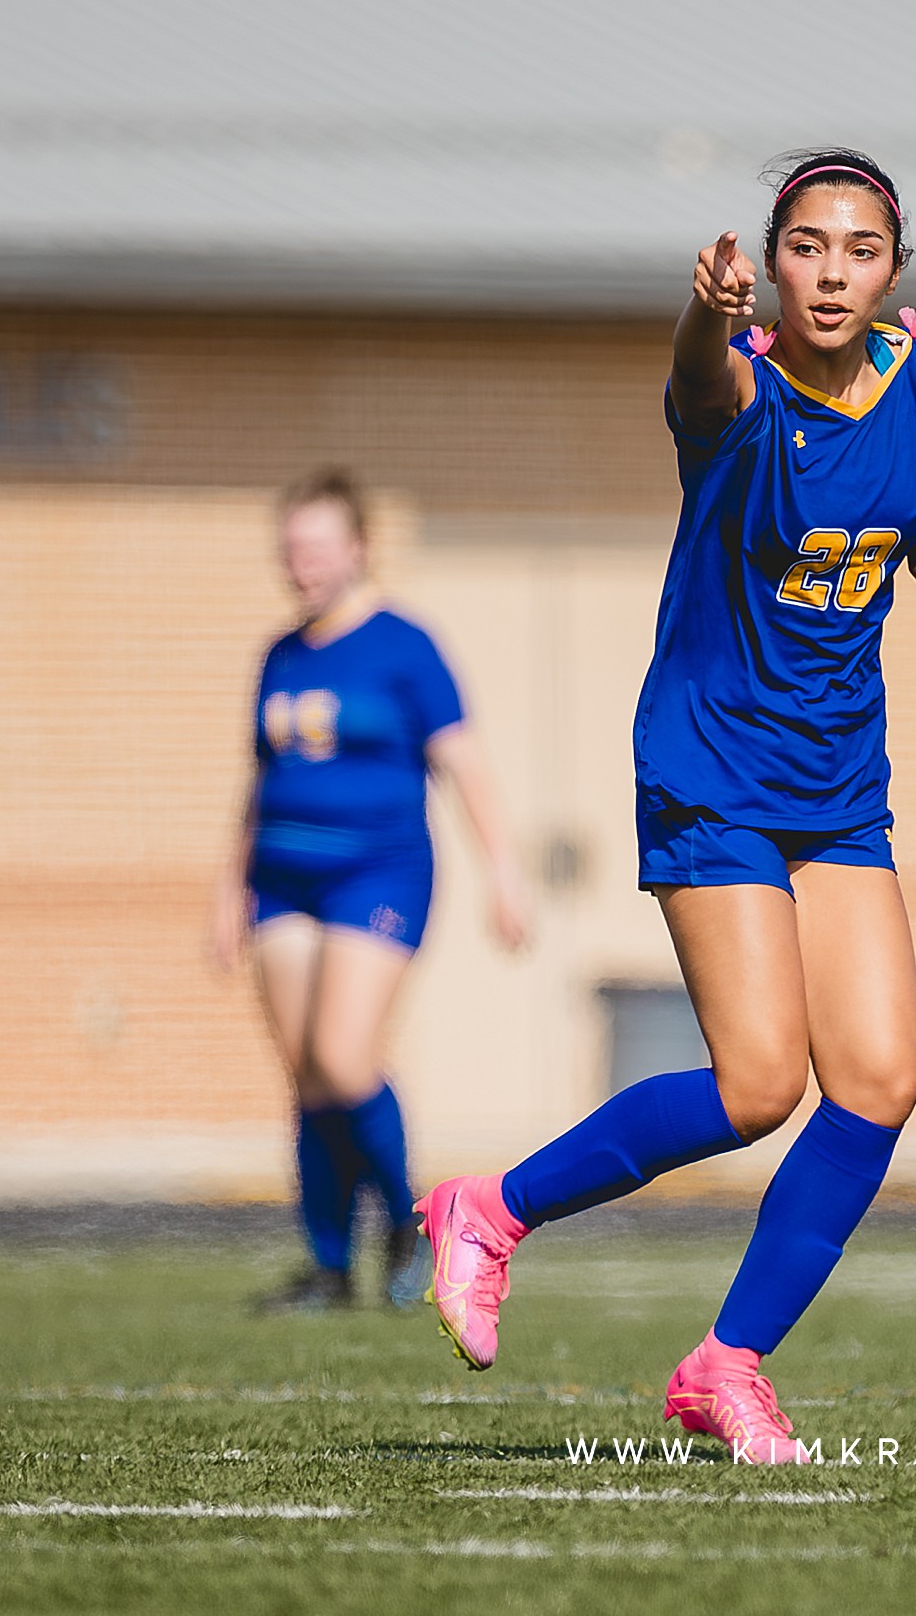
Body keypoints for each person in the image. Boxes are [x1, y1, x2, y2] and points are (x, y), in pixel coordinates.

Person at [415, 148, 916, 1461]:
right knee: (757, 1083)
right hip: (712, 762)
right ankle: (490, 1211)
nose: (831, 271)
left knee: (882, 1082)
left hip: (839, 781)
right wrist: (703, 317)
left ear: (895, 270)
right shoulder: (738, 387)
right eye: (805, 246)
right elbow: (691, 376)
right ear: (769, 264)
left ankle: (724, 1366)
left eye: (859, 249)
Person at [210, 468, 530, 1312]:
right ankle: (325, 1267)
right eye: (291, 549)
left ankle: (405, 1224)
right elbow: (257, 782)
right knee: (306, 1073)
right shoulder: (278, 654)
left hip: (378, 873)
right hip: (281, 878)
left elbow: (466, 765)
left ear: (357, 548)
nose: (302, 563)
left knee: (344, 1058)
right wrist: (224, 894)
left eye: (317, 546)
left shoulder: (404, 646)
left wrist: (506, 872)